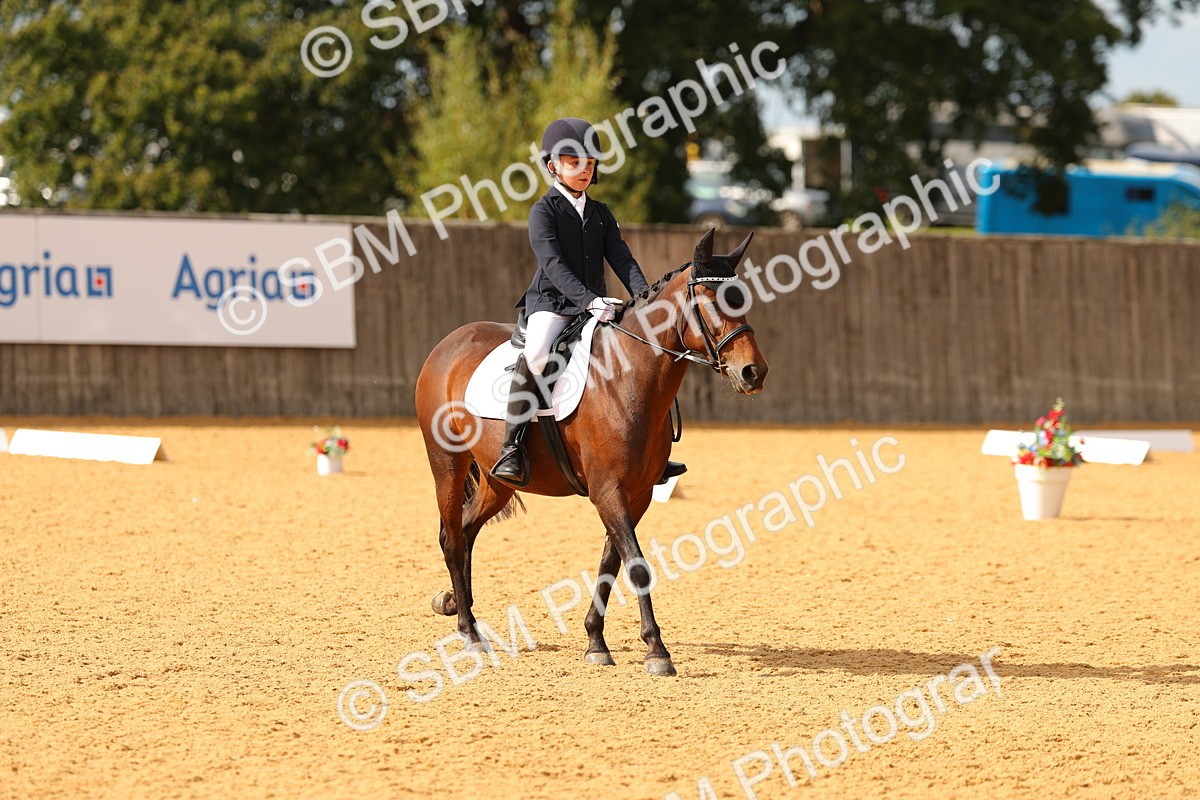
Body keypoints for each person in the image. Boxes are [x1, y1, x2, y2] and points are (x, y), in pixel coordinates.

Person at [490, 117, 685, 487]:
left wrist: (646, 300)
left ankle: (655, 452)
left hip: (598, 303)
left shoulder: (600, 214)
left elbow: (622, 259)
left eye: (589, 163)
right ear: (553, 166)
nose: (583, 170)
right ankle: (511, 448)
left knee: (644, 354)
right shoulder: (542, 212)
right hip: (552, 304)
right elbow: (553, 266)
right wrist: (590, 300)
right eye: (574, 162)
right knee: (536, 355)